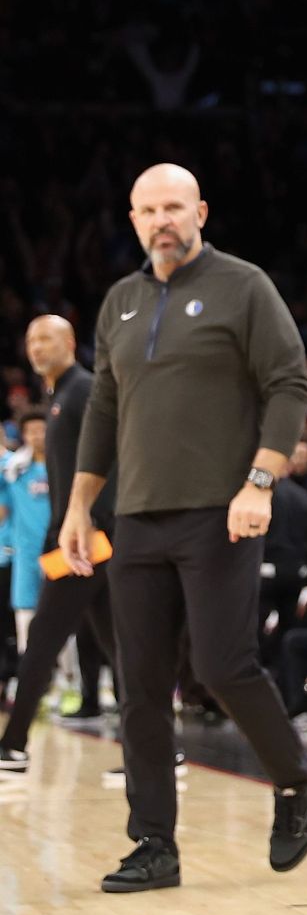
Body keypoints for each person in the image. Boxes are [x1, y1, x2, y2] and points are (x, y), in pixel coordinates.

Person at [61, 162, 307, 892]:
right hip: (136, 516)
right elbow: (104, 414)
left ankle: (297, 779)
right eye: (147, 209)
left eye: (173, 206)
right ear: (134, 218)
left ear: (200, 210)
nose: (161, 220)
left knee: (221, 665)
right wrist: (80, 507)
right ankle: (153, 844)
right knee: (138, 684)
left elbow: (288, 382)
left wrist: (260, 481)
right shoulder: (119, 301)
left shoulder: (244, 286)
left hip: (222, 512)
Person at [0, 318, 118, 770]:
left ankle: (12, 744)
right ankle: (163, 749)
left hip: (84, 536)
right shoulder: (56, 398)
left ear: (70, 342)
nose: (35, 347)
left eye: (45, 338)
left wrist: (89, 522)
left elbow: (111, 456)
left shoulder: (83, 389)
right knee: (119, 647)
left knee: (44, 637)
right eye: (29, 340)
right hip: (79, 534)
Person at [2, 409, 50, 673]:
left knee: (62, 619)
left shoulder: (63, 465)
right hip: (24, 553)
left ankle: (68, 680)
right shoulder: (14, 468)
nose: (37, 436)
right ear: (23, 435)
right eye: (32, 431)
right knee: (24, 614)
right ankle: (29, 678)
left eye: (42, 430)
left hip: (57, 552)